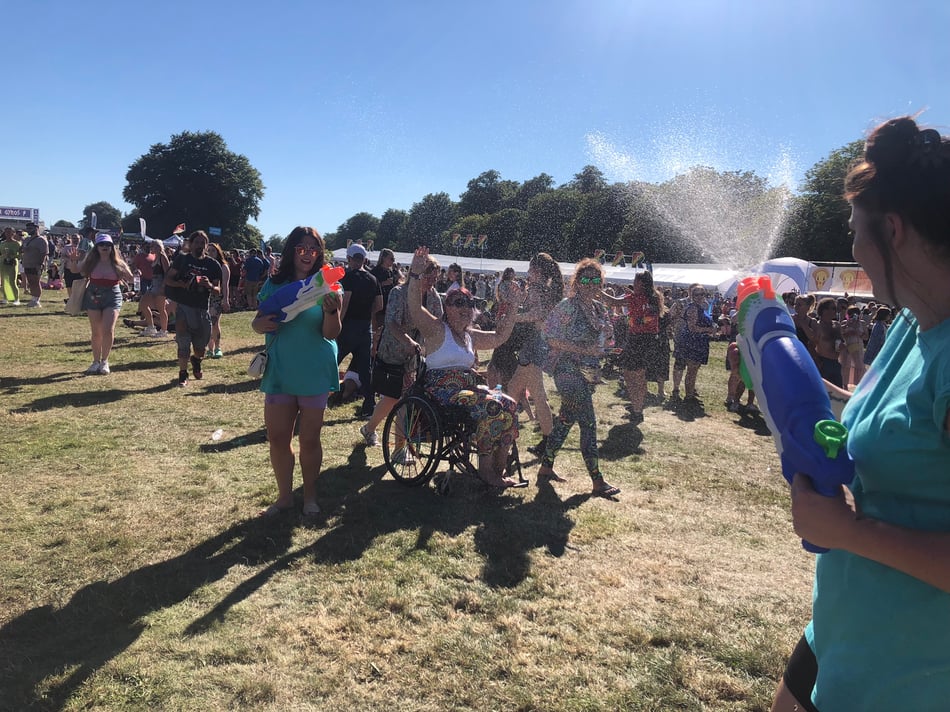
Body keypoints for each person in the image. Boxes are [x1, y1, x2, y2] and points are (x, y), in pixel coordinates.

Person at [770, 117, 950, 712]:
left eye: (854, 233)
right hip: (846, 626)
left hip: (909, 675)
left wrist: (847, 532)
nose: (851, 253)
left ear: (892, 230)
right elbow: (898, 418)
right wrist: (796, 388)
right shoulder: (910, 321)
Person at [406, 247, 520, 488]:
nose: (465, 308)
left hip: (469, 391)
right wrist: (415, 274)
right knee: (490, 405)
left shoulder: (470, 336)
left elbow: (500, 336)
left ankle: (498, 470)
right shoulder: (437, 330)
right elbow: (415, 308)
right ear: (447, 308)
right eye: (458, 303)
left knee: (509, 404)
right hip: (442, 393)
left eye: (469, 304)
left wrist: (514, 306)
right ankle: (486, 472)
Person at [252, 227, 342, 518]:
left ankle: (310, 497)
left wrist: (331, 312)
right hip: (280, 369)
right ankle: (284, 498)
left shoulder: (329, 286)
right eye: (301, 248)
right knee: (278, 437)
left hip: (314, 369)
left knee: (310, 439)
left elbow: (332, 333)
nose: (307, 253)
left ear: (320, 253)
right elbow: (258, 320)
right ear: (291, 250)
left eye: (313, 248)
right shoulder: (274, 283)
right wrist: (258, 326)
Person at [536, 259, 621, 498]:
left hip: (588, 372)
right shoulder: (567, 306)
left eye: (596, 280)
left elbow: (605, 342)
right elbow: (550, 338)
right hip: (566, 370)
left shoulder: (600, 309)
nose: (591, 284)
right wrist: (584, 350)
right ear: (577, 282)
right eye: (586, 279)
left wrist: (608, 336)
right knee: (589, 423)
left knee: (565, 419)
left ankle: (545, 467)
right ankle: (597, 481)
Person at [360, 253, 443, 446]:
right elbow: (391, 323)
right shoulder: (398, 293)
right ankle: (375, 432)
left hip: (415, 357)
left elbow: (438, 325)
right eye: (429, 277)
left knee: (404, 399)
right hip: (394, 352)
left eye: (436, 278)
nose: (433, 281)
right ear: (418, 275)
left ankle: (396, 446)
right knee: (392, 397)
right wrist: (408, 341)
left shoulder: (433, 296)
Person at [506, 253, 563, 455]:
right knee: (523, 394)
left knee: (526, 394)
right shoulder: (546, 289)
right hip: (538, 343)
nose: (528, 273)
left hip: (534, 344)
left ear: (537, 271)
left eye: (530, 269)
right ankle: (545, 443)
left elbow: (537, 314)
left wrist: (513, 318)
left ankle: (507, 440)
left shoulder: (538, 289)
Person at [603, 271, 666, 425]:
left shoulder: (644, 298)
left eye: (636, 282)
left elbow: (614, 302)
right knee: (633, 374)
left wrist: (597, 290)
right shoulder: (647, 297)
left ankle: (637, 410)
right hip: (641, 340)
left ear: (643, 283)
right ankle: (637, 406)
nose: (634, 284)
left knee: (636, 375)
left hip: (641, 340)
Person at [164, 231, 223, 387]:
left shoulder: (213, 265)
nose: (199, 245)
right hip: (183, 307)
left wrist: (208, 285)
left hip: (202, 309)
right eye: (196, 242)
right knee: (183, 342)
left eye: (202, 243)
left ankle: (196, 360)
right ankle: (183, 374)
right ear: (191, 244)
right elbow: (168, 279)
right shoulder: (182, 259)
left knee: (200, 347)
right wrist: (182, 284)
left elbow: (218, 289)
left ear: (206, 245)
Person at [336, 243, 383, 418]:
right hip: (365, 328)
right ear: (364, 259)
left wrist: (337, 324)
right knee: (365, 370)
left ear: (349, 258)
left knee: (331, 361)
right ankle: (369, 406)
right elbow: (379, 305)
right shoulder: (373, 279)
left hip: (348, 326)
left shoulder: (348, 278)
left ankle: (315, 398)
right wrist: (367, 313)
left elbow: (345, 302)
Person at [79, 234, 134, 374]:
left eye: (108, 245)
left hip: (112, 296)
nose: (105, 247)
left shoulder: (117, 263)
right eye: (102, 245)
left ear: (112, 247)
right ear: (96, 247)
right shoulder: (91, 262)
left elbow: (131, 278)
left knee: (108, 329)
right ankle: (95, 361)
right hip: (93, 296)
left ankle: (105, 361)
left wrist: (130, 270)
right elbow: (76, 271)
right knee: (96, 331)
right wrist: (73, 261)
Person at [671, 284, 716, 406]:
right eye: (697, 294)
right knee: (689, 369)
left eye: (702, 294)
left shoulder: (702, 306)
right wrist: (708, 330)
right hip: (691, 342)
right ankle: (687, 395)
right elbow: (692, 327)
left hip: (698, 341)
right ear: (691, 295)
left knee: (694, 369)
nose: (700, 296)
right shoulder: (691, 308)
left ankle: (690, 393)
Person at [205, 243, 231, 358]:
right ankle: (209, 348)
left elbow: (225, 285)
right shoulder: (205, 264)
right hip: (205, 298)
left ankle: (217, 347)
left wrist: (225, 300)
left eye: (213, 251)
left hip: (217, 298)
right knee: (206, 323)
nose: (210, 253)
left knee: (214, 322)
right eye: (208, 250)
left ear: (218, 252)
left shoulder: (223, 267)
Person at [812, 297, 844, 388]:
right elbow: (811, 345)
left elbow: (841, 342)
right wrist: (818, 361)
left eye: (835, 308)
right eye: (832, 308)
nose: (835, 311)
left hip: (836, 362)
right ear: (824, 310)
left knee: (837, 393)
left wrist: (843, 346)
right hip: (823, 362)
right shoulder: (818, 326)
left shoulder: (837, 325)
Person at [21, 222, 49, 308]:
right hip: (27, 264)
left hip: (36, 264)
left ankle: (37, 300)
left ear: (36, 228)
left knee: (36, 282)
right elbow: (22, 249)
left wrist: (40, 264)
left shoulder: (41, 240)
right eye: (27, 228)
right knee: (30, 282)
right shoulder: (26, 239)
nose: (28, 230)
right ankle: (33, 298)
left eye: (30, 228)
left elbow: (44, 253)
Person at [0, 227, 22, 305]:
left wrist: (12, 255)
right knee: (4, 282)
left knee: (12, 281)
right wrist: (4, 255)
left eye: (10, 232)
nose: (8, 234)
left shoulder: (17, 243)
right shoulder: (2, 243)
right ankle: (6, 298)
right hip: (3, 264)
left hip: (12, 264)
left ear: (13, 233)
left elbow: (20, 255)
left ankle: (16, 299)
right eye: (6, 232)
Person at [61, 234, 85, 302]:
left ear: (80, 239)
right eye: (74, 238)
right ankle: (71, 299)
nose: (75, 240)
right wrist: (70, 258)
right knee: (69, 285)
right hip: (68, 269)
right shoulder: (66, 247)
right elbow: (62, 256)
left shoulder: (82, 248)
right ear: (71, 239)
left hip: (79, 270)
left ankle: (76, 300)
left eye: (77, 238)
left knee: (78, 286)